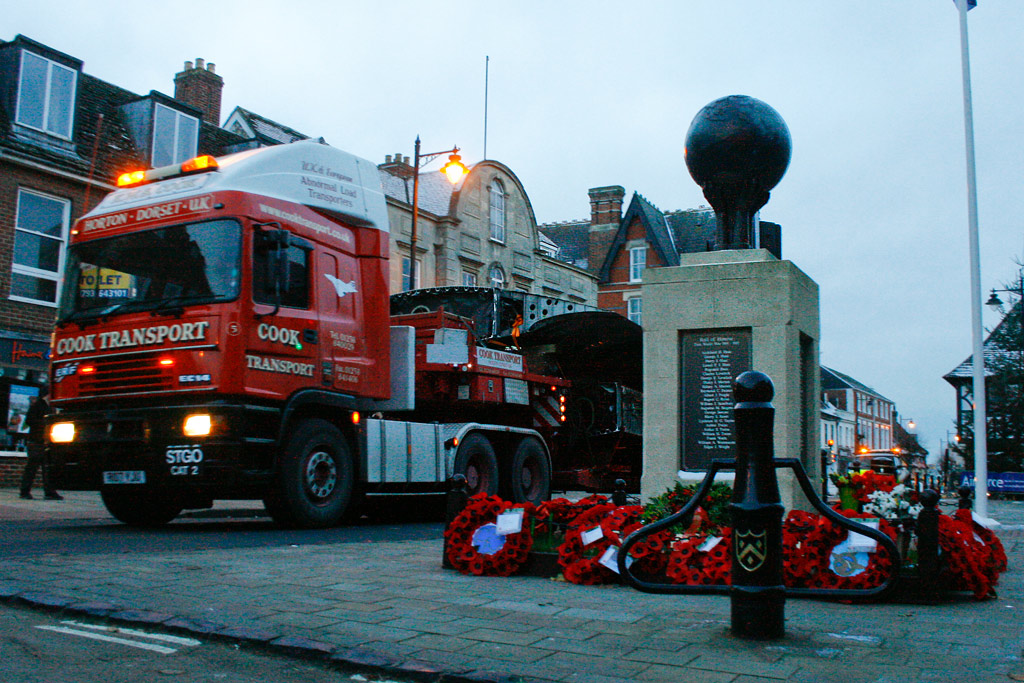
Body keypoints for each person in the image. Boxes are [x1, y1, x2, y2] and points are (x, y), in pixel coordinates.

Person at [19, 387, 62, 501]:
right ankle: (25, 491)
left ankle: (50, 492)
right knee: (32, 468)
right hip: (36, 442)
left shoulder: (50, 407)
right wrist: (45, 423)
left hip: (46, 442)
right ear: (46, 395)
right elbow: (29, 421)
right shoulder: (37, 406)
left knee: (47, 469)